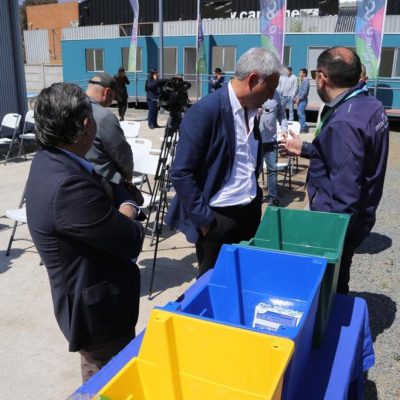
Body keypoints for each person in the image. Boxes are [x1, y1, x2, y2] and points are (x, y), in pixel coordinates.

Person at [25, 83, 144, 382]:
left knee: (100, 375)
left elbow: (103, 186)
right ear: (86, 125)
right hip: (100, 316)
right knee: (110, 380)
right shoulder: (66, 185)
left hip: (90, 303)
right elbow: (131, 239)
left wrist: (118, 202)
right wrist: (129, 206)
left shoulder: (51, 160)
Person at [280, 47, 389, 294]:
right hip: (360, 215)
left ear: (322, 77)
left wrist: (330, 244)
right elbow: (347, 157)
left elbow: (344, 196)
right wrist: (306, 148)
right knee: (338, 282)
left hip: (336, 227)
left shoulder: (345, 122)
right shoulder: (370, 105)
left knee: (330, 288)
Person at [166, 48, 282, 277]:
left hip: (249, 210)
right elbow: (181, 173)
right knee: (214, 281)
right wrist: (204, 220)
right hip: (218, 219)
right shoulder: (205, 111)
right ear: (252, 80)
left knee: (243, 278)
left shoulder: (250, 111)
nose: (271, 96)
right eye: (270, 88)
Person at [85, 72, 134, 187]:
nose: (112, 102)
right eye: (113, 97)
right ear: (107, 92)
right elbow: (122, 154)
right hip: (104, 184)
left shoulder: (70, 107)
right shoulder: (105, 117)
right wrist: (128, 176)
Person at [259, 90, 288, 206]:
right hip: (255, 140)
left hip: (271, 140)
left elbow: (281, 114)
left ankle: (272, 197)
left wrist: (284, 129)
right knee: (254, 170)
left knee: (272, 170)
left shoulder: (276, 94)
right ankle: (255, 196)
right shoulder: (255, 91)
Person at [294, 68, 309, 133]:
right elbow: (299, 90)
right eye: (299, 72)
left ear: (304, 74)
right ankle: (301, 126)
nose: (299, 74)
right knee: (299, 113)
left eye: (300, 72)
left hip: (303, 100)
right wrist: (296, 96)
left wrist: (299, 98)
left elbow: (304, 92)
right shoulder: (301, 80)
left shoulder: (306, 81)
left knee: (301, 113)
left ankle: (303, 128)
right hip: (299, 99)